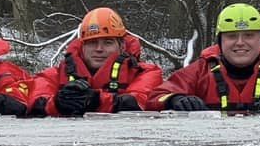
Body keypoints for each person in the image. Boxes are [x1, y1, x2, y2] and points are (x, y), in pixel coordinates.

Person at [28, 7, 165, 117]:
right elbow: (34, 101)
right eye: (92, 43)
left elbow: (140, 101)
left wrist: (96, 100)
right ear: (82, 47)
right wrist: (57, 103)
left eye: (108, 42)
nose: (99, 49)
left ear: (122, 46)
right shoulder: (52, 75)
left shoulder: (146, 72)